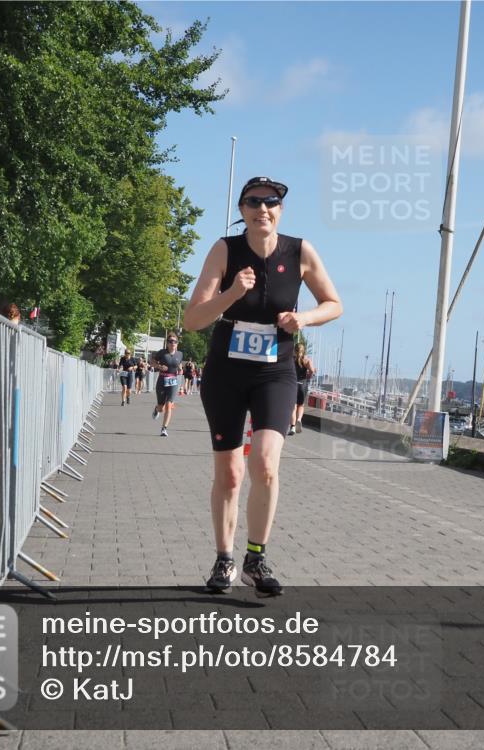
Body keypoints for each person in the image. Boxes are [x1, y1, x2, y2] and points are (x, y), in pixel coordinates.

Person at [182, 176, 342, 596]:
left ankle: (256, 557)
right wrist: (232, 293)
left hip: (276, 370)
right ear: (242, 210)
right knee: (231, 474)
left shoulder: (300, 251)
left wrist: (302, 319)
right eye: (253, 202)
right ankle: (223, 560)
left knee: (266, 465)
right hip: (226, 371)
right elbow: (193, 319)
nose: (262, 209)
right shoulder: (225, 250)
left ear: (280, 210)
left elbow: (334, 303)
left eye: (271, 202)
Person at [150, 333, 184, 436]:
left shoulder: (180, 354)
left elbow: (179, 364)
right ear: (167, 343)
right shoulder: (162, 353)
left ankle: (164, 429)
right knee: (161, 407)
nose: (173, 343)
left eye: (175, 341)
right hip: (162, 380)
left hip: (173, 381)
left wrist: (180, 370)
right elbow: (152, 362)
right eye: (170, 341)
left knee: (169, 405)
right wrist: (159, 367)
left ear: (177, 344)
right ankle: (156, 409)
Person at [289, 342, 315, 435]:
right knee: (301, 405)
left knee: (293, 406)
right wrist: (309, 375)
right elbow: (312, 370)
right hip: (302, 384)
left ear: (294, 350)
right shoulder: (307, 360)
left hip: (293, 384)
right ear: (303, 351)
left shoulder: (291, 359)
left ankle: (292, 427)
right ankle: (299, 419)